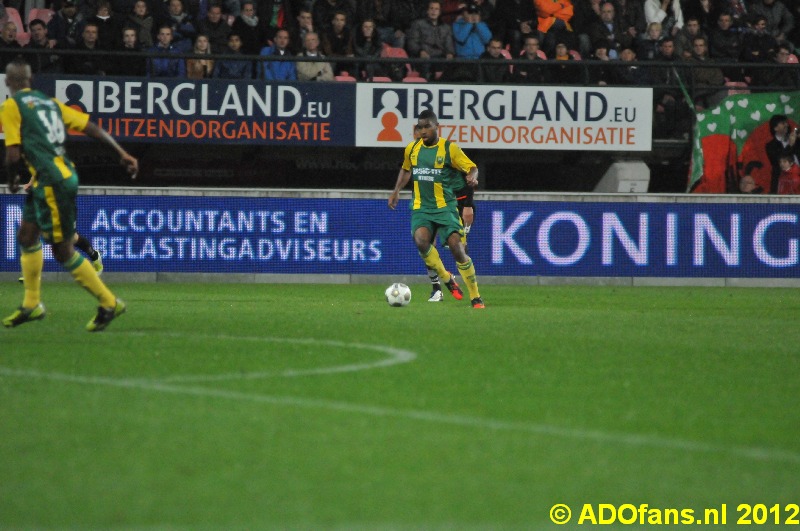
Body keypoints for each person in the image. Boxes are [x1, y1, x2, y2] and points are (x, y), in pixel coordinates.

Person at [1, 60, 137, 331]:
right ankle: (31, 304)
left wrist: (12, 177)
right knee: (27, 236)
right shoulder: (50, 102)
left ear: (9, 83)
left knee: (62, 251)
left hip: (52, 181)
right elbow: (91, 128)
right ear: (31, 80)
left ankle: (109, 302)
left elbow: (13, 153)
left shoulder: (11, 106)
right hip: (54, 178)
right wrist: (122, 154)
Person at [388, 110, 484, 309]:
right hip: (421, 206)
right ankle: (446, 278)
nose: (422, 131)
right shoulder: (412, 149)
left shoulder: (450, 149)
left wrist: (473, 176)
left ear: (436, 127)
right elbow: (406, 169)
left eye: (426, 127)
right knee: (421, 241)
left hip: (445, 207)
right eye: (419, 127)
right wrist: (396, 190)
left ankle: (475, 296)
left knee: (457, 248)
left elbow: (472, 167)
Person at [406, 0, 455, 80]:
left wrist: (450, 53)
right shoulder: (418, 24)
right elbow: (412, 42)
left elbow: (449, 44)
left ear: (439, 12)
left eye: (436, 9)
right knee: (426, 64)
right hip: (424, 57)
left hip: (440, 57)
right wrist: (420, 51)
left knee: (451, 66)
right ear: (427, 11)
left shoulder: (446, 27)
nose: (433, 11)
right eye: (431, 8)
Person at [765, 114, 800, 193]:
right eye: (783, 123)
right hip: (782, 181)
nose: (786, 125)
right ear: (775, 128)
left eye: (786, 123)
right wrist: (790, 145)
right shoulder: (770, 146)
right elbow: (778, 161)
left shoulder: (796, 140)